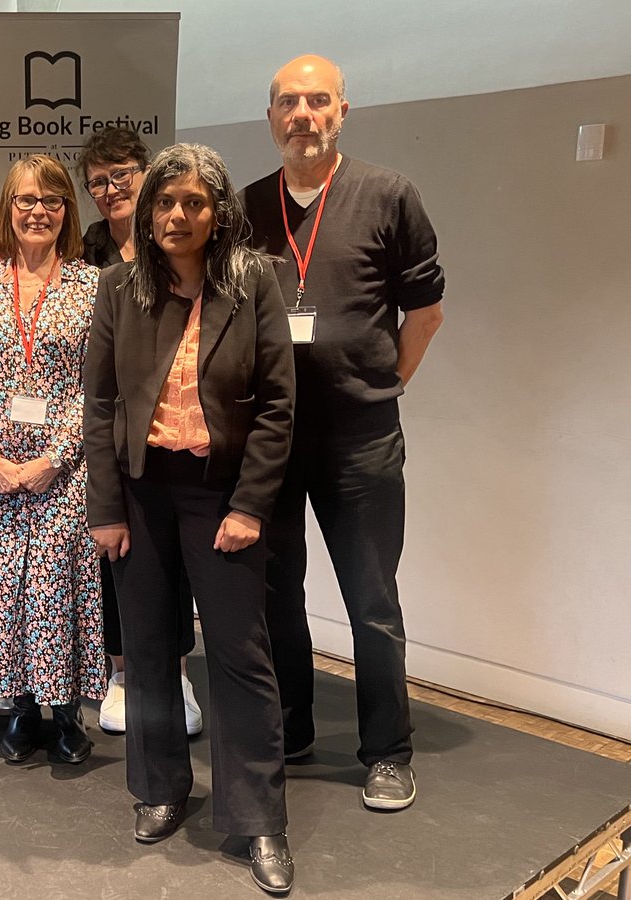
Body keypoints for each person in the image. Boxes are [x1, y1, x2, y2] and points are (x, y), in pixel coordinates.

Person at [84, 143, 297, 894]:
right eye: (165, 203)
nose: (178, 215)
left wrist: (249, 506)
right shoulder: (118, 287)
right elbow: (102, 403)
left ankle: (258, 819)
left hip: (220, 493)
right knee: (146, 649)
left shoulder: (255, 282)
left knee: (241, 655)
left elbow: (277, 406)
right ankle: (160, 788)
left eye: (194, 203)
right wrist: (105, 508)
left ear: (217, 213)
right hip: (142, 491)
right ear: (146, 214)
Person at [239, 54, 445, 811]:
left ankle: (387, 751)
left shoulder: (388, 195)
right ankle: (292, 729)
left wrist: (385, 387)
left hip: (361, 442)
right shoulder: (246, 206)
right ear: (270, 119)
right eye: (288, 102)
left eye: (317, 100)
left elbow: (426, 314)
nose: (303, 115)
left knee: (371, 600)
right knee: (275, 596)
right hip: (272, 441)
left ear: (342, 112)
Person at [0, 155, 103, 764]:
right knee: (1, 588)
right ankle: (18, 707)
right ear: (7, 211)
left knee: (57, 589)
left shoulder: (92, 286)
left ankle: (66, 714)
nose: (37, 211)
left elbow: (98, 385)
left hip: (62, 471)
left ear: (66, 211)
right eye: (25, 201)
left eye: (51, 201)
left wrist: (55, 457)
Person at [77, 127, 202, 737]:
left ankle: (176, 671)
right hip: (113, 434)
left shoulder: (181, 242)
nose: (109, 190)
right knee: (116, 554)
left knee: (175, 563)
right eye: (97, 182)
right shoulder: (88, 252)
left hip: (178, 435)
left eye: (120, 175)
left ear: (146, 174)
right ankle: (123, 672)